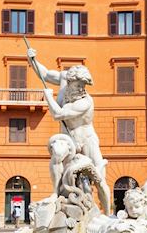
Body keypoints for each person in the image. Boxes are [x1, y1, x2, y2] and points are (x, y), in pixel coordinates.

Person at [27, 47, 112, 214]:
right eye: (79, 85)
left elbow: (58, 114)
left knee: (99, 179)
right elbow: (44, 74)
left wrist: (48, 97)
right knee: (57, 155)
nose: (82, 88)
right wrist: (33, 60)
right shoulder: (64, 78)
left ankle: (108, 213)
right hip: (68, 137)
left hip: (87, 139)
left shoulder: (85, 102)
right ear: (70, 81)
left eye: (84, 85)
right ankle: (55, 193)